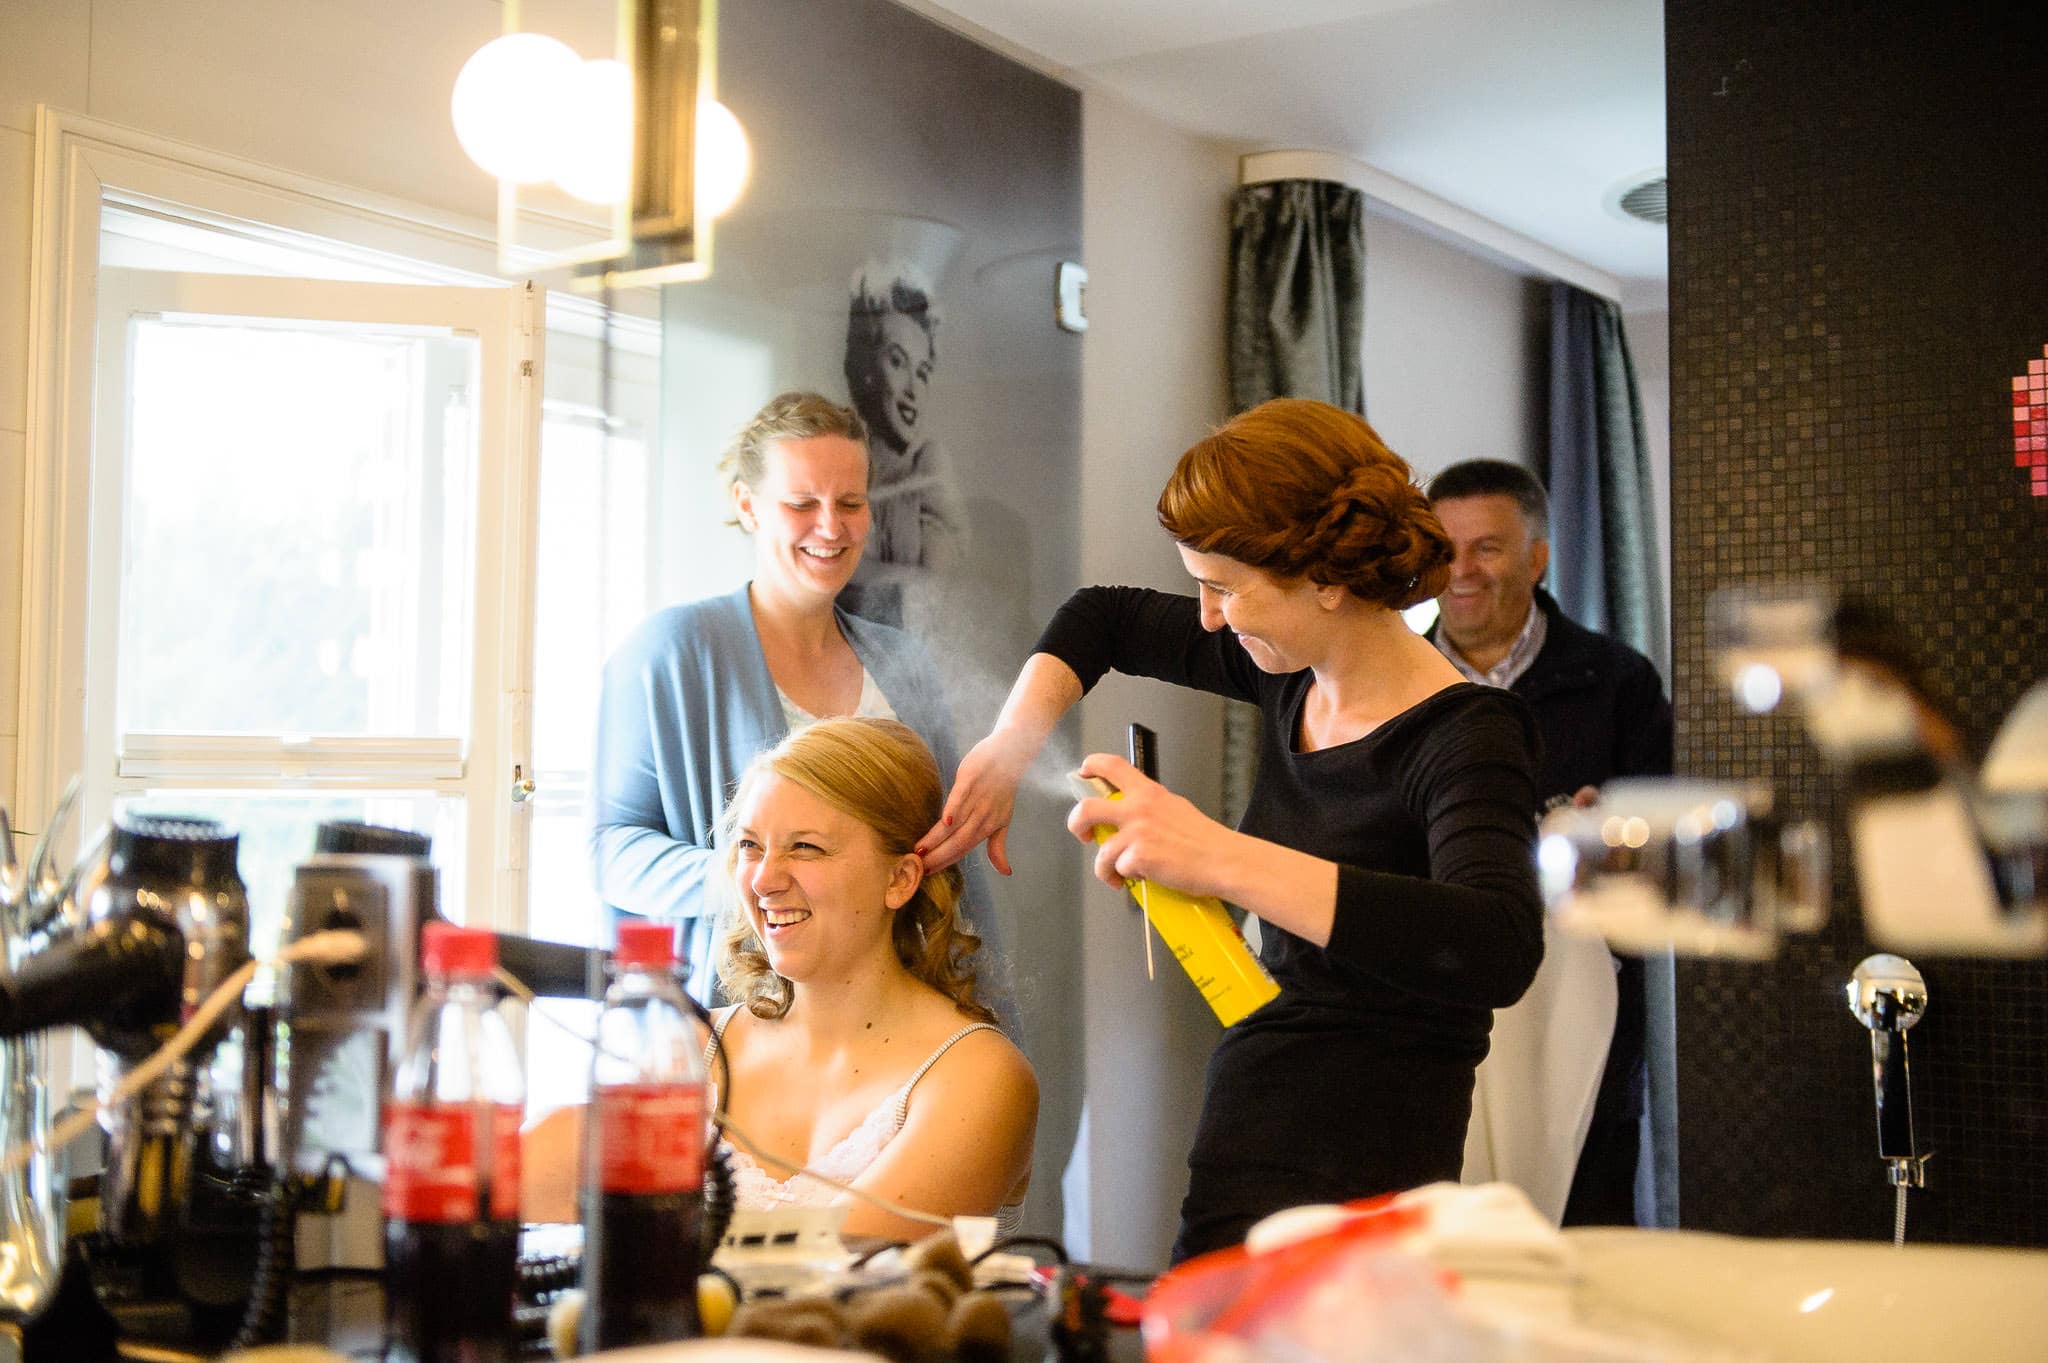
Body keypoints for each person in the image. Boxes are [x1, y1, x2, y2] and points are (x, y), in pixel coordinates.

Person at [919, 397, 1545, 1262]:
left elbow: (1497, 944)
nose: (1208, 615)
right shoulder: (1292, 675)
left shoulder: (1468, 736)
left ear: (1326, 580)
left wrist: (1216, 854)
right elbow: (1102, 617)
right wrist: (1008, 745)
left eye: (1224, 587)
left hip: (1370, 1158)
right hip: (1250, 1102)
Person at [529, 718, 1037, 1240]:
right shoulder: (688, 1047)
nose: (764, 880)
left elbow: (834, 1265)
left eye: (805, 848)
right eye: (751, 846)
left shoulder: (980, 1077)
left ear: (900, 878)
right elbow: (524, 1181)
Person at [589, 391, 994, 1004]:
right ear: (747, 505)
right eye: (802, 504)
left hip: (902, 1011)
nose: (831, 527)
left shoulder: (905, 664)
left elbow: (952, 864)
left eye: (851, 503)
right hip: (744, 1014)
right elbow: (611, 851)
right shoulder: (668, 654)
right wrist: (752, 876)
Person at [1426, 458, 1673, 1227]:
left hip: (1580, 1019)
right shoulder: (1393, 686)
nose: (1461, 570)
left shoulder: (1618, 683)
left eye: (1487, 548)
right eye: (1444, 549)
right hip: (1434, 1019)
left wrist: (1606, 837)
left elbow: (1663, 857)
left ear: (1537, 557)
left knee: (1585, 1235)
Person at [842, 264, 967, 579]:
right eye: (898, 361)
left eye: (922, 372)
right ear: (866, 370)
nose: (913, 389)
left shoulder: (928, 465)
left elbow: (934, 587)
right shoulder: (839, 468)